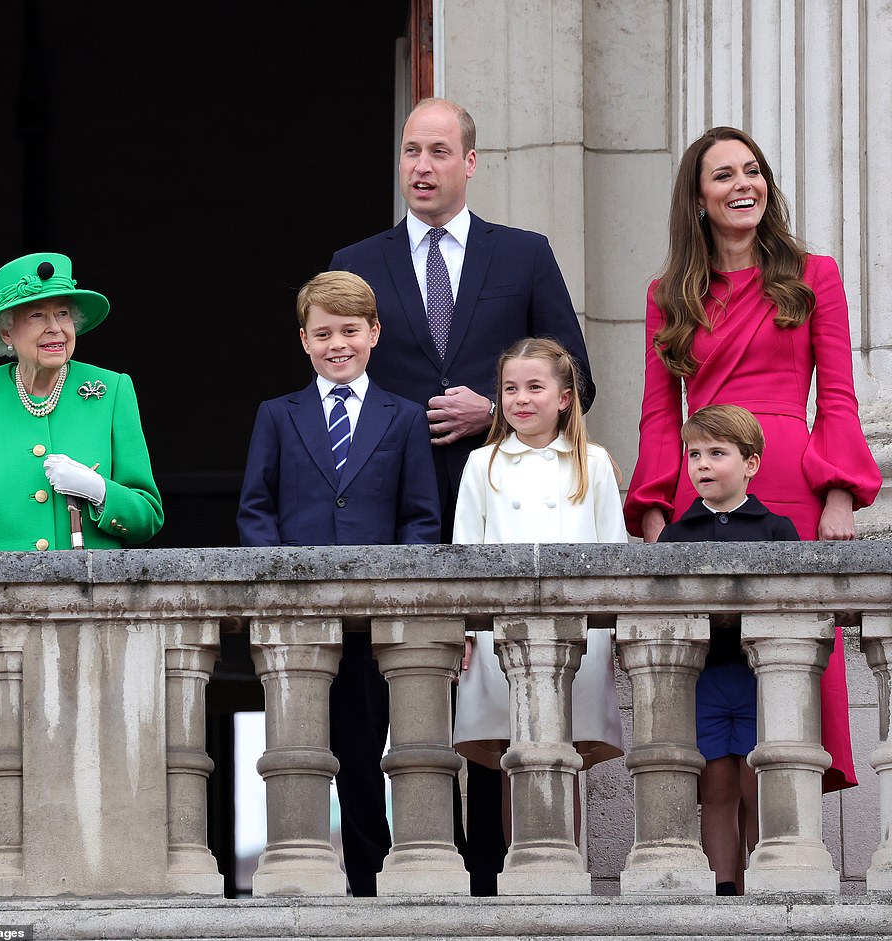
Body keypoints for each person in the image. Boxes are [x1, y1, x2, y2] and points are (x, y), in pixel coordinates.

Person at [330, 96, 595, 893]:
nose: (422, 166)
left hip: (498, 501)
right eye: (411, 151)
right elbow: (333, 375)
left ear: (470, 162)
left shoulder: (523, 255)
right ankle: (372, 871)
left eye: (439, 151)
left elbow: (581, 379)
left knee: (486, 682)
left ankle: (485, 870)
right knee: (368, 687)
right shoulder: (359, 259)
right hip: (380, 508)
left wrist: (495, 409)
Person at [624, 126, 882, 792]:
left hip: (790, 482)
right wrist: (655, 511)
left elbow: (840, 397)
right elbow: (658, 414)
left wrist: (839, 494)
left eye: (752, 170)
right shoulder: (667, 293)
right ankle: (721, 873)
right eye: (724, 175)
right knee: (710, 678)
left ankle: (791, 853)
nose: (744, 184)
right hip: (700, 490)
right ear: (698, 199)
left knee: (793, 667)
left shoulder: (813, 275)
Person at [0, 251, 164, 808]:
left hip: (92, 631)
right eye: (37, 316)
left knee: (93, 795)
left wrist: (100, 492)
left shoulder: (111, 391)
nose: (56, 328)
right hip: (1, 641)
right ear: (5, 331)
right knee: (5, 796)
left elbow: (148, 513)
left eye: (64, 314)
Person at [236, 270, 441, 896]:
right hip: (299, 624)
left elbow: (421, 519)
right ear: (304, 340)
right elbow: (256, 509)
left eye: (350, 330)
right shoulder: (278, 415)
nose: (337, 344)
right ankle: (297, 879)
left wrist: (398, 602)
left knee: (363, 757)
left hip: (374, 626)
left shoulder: (403, 418)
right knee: (295, 757)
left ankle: (369, 889)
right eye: (323, 333)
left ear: (374, 333)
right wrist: (280, 589)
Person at [452, 337, 625, 853]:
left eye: (534, 387)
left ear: (565, 397)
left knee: (563, 752)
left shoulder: (592, 463)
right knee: (514, 757)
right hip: (499, 636)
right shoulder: (481, 465)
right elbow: (465, 554)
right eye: (510, 388)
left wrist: (611, 633)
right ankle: (520, 870)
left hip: (578, 636)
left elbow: (613, 554)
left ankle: (566, 864)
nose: (521, 399)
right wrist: (465, 628)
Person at [658, 405, 800, 895]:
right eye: (694, 453)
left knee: (756, 785)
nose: (702, 464)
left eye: (717, 453)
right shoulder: (676, 535)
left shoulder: (776, 529)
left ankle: (764, 881)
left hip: (762, 679)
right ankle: (723, 887)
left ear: (751, 464)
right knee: (715, 788)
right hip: (704, 679)